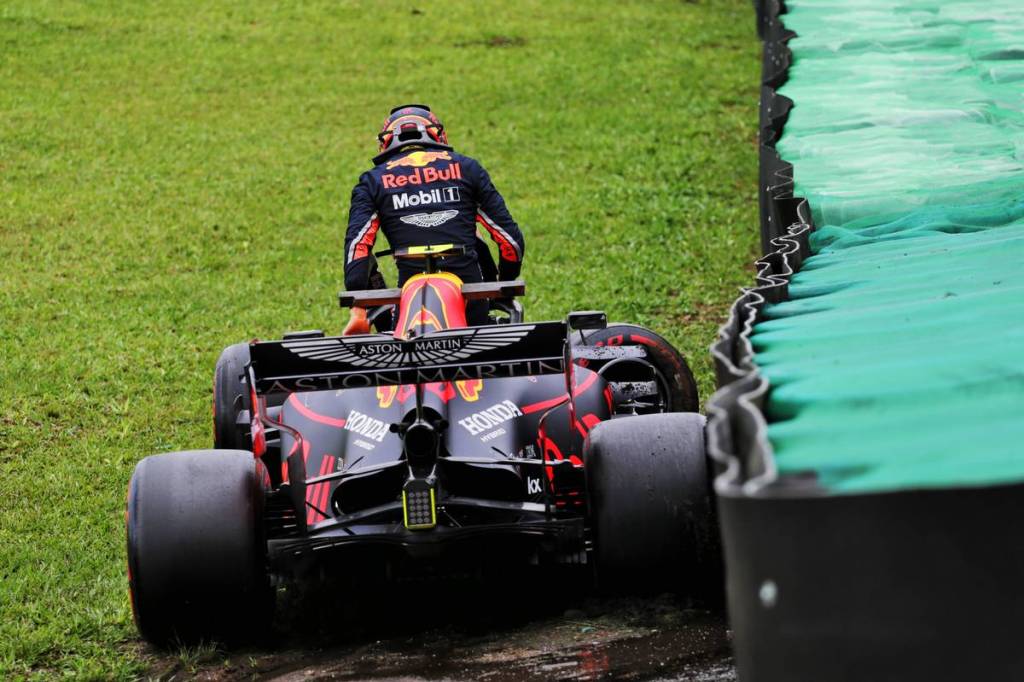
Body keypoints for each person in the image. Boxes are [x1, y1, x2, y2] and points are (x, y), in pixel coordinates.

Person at [343, 104, 524, 333]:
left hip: (409, 299)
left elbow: (357, 249)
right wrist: (504, 283)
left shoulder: (372, 181)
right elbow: (511, 243)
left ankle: (370, 318)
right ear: (438, 134)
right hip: (470, 298)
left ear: (386, 142)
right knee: (474, 237)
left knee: (366, 263)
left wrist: (357, 297)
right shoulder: (468, 168)